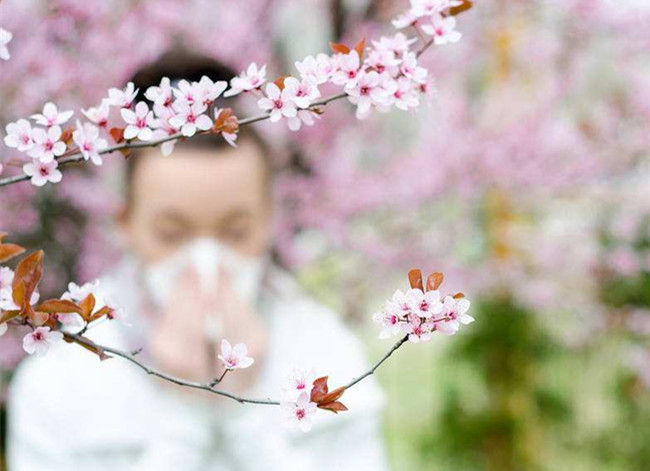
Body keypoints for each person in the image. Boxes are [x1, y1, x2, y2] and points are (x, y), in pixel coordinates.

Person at [7, 54, 390, 470]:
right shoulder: (60, 382)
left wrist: (243, 408)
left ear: (269, 221)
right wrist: (185, 411)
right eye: (173, 234)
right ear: (127, 224)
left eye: (235, 232)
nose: (205, 259)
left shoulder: (328, 352)